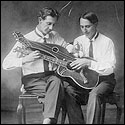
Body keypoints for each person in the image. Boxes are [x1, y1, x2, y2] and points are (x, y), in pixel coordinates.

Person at [2, 7, 71, 124]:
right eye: (48, 24)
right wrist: (25, 59)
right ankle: (49, 120)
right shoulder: (26, 40)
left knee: (57, 82)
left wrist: (72, 49)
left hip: (52, 77)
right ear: (40, 20)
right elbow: (6, 64)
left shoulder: (54, 35)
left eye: (54, 25)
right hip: (33, 80)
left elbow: (66, 47)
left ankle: (47, 121)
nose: (51, 28)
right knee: (60, 90)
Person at [65, 11, 116, 124]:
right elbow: (74, 61)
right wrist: (73, 56)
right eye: (82, 27)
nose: (84, 30)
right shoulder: (78, 40)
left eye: (87, 26)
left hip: (104, 80)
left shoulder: (106, 42)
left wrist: (89, 63)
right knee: (68, 91)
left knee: (94, 94)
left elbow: (110, 68)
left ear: (95, 24)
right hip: (86, 81)